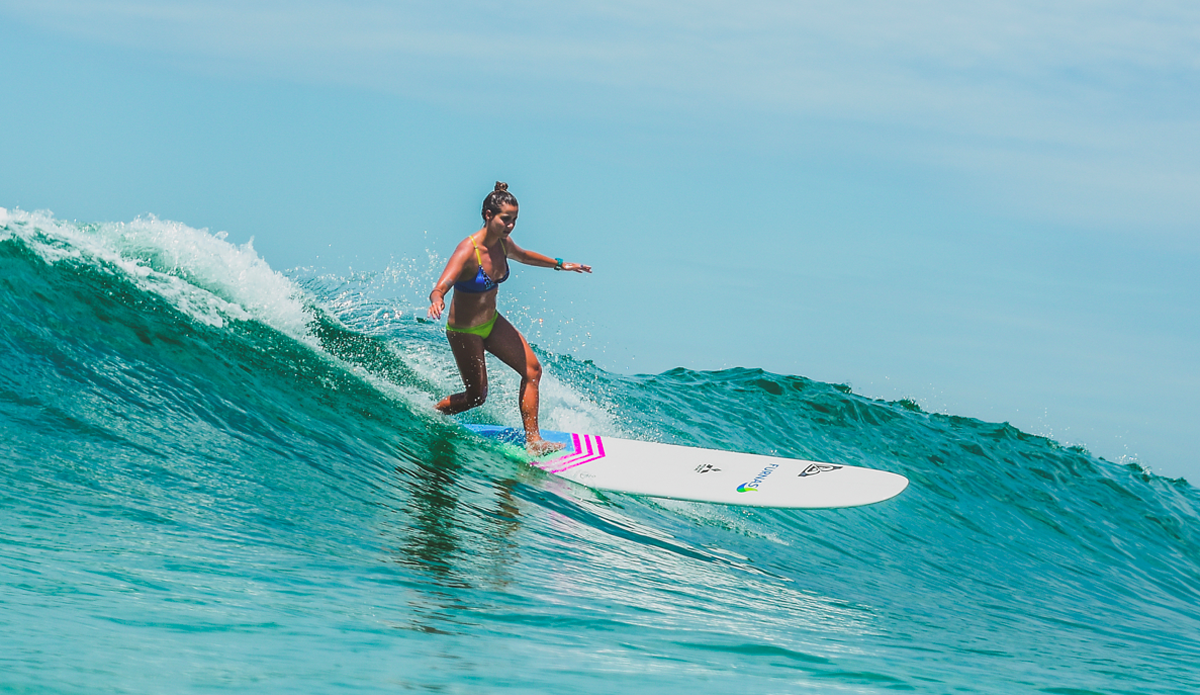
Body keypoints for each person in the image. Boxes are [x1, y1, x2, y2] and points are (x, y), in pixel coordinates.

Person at [427, 182, 591, 455]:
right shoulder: (468, 250)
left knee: (532, 371)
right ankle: (430, 414)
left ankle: (534, 442)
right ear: (489, 215)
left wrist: (561, 264)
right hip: (464, 331)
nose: (511, 225)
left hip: (491, 323)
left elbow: (524, 256)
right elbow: (442, 284)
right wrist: (438, 299)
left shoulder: (503, 244)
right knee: (476, 397)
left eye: (514, 220)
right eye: (506, 219)